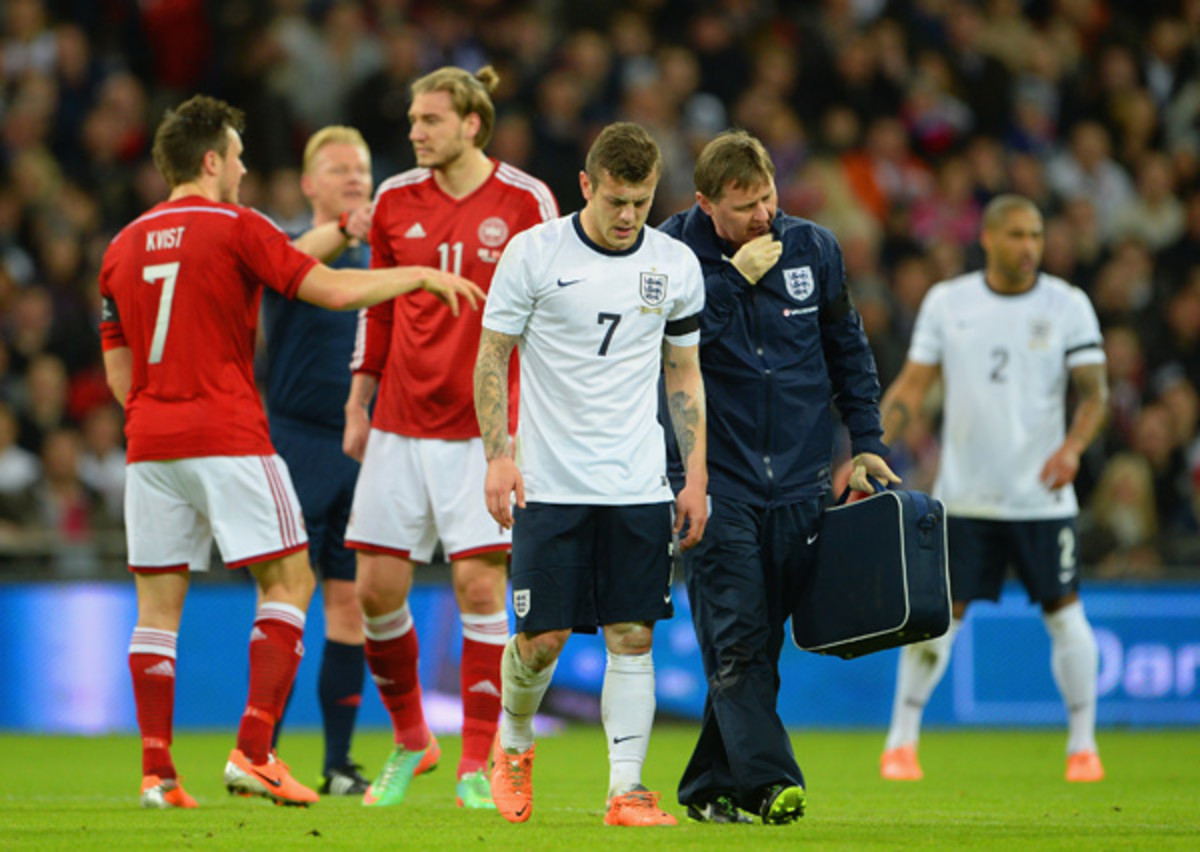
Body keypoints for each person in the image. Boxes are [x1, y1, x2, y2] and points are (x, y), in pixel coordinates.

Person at [98, 94, 482, 809]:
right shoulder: (238, 227)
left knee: (155, 609)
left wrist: (158, 418)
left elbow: (120, 374)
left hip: (149, 445)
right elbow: (332, 289)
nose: (244, 171)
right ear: (211, 160)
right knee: (289, 584)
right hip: (229, 434)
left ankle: (158, 772)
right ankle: (253, 751)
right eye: (238, 157)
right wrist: (421, 276)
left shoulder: (121, 246)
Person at [659, 129, 897, 825]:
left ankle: (708, 787)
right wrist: (736, 281)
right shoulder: (673, 257)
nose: (762, 216)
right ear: (706, 205)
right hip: (716, 481)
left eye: (767, 198)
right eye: (743, 207)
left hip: (798, 483)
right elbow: (672, 357)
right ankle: (772, 783)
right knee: (736, 640)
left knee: (759, 646)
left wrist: (867, 442)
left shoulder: (815, 249)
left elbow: (847, 351)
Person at [475, 121, 708, 827]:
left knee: (632, 635)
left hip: (637, 485)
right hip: (548, 484)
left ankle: (625, 790)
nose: (627, 216)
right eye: (614, 200)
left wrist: (694, 474)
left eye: (639, 201)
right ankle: (513, 743)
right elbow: (492, 358)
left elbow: (684, 373)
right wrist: (498, 455)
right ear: (586, 186)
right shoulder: (533, 253)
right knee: (540, 640)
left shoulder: (674, 265)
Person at [342, 65, 557, 810]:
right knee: (375, 590)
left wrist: (532, 427)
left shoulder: (527, 201)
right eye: (412, 120)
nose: (414, 132)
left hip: (484, 430)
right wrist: (358, 397)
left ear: (472, 123)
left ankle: (475, 762)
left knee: (477, 584)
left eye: (429, 120)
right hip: (400, 421)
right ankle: (411, 739)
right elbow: (375, 306)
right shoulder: (394, 199)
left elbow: (548, 317)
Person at [877, 194, 1109, 784]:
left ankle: (1083, 746)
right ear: (987, 237)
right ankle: (901, 743)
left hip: (1041, 498)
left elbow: (1096, 393)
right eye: (1015, 234)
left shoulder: (1068, 304)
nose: (1028, 246)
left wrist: (1074, 447)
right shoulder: (949, 302)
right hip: (968, 497)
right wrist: (873, 447)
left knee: (1065, 614)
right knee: (939, 621)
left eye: (1035, 234)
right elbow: (911, 384)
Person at [260, 125, 375, 796]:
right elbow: (297, 262)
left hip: (361, 446)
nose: (353, 176)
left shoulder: (379, 258)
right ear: (309, 185)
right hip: (295, 443)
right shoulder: (287, 246)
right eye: (337, 168)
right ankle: (261, 751)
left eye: (360, 168)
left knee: (348, 605)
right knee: (285, 598)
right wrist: (346, 228)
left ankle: (337, 763)